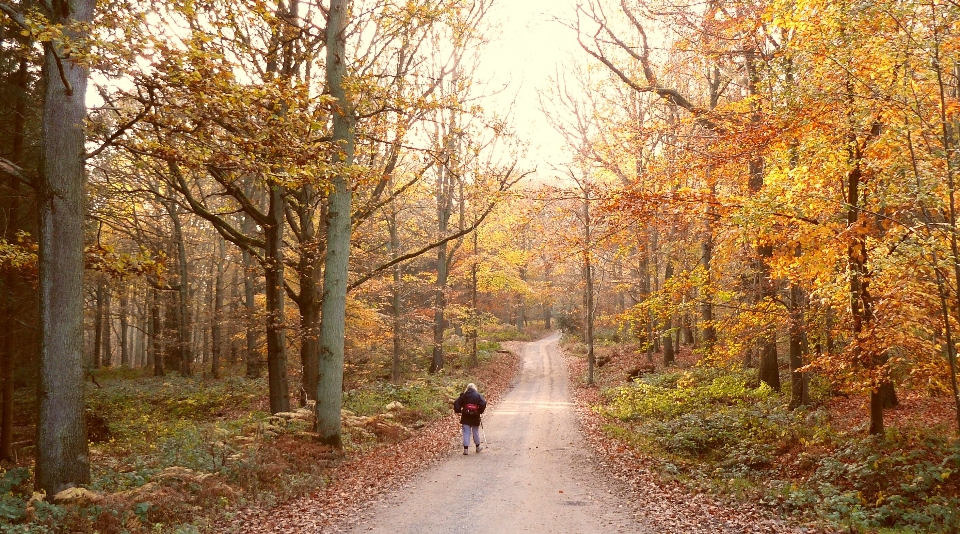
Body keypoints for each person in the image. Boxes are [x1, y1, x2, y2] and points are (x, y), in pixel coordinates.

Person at [453, 383, 487, 455]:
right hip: (475, 416)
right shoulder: (478, 395)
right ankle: (478, 447)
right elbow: (483, 402)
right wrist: (480, 411)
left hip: (465, 416)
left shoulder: (464, 395)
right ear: (475, 388)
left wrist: (459, 411)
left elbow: (456, 402)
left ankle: (465, 450)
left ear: (467, 388)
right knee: (475, 431)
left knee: (466, 432)